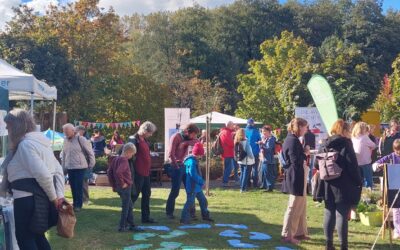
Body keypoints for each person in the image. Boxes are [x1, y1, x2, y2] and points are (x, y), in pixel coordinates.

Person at [0, 109, 65, 250]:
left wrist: (55, 199)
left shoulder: (25, 145)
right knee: (37, 236)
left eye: (9, 125)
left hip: (27, 200)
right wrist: (58, 196)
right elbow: (57, 170)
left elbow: (44, 175)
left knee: (25, 238)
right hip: (36, 199)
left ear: (17, 126)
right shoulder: (39, 144)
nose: (7, 129)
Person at [316, 119, 362, 250]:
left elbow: (316, 164)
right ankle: (343, 246)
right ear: (344, 131)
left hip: (326, 184)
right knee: (342, 214)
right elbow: (352, 165)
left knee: (328, 212)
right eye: (348, 130)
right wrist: (358, 180)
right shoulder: (346, 144)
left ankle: (328, 244)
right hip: (343, 184)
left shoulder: (324, 143)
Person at [281, 117, 310, 245]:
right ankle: (287, 234)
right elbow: (295, 160)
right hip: (295, 176)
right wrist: (305, 153)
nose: (307, 129)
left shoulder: (293, 139)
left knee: (301, 204)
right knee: (294, 206)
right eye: (305, 127)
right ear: (299, 127)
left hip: (298, 175)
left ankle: (300, 232)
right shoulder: (291, 140)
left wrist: (304, 153)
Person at [166, 123, 200, 219]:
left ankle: (191, 213)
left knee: (190, 190)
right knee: (175, 191)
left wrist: (186, 143)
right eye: (193, 134)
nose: (194, 136)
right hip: (176, 166)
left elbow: (197, 142)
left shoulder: (189, 139)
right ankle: (169, 212)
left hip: (186, 166)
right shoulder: (176, 137)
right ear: (187, 132)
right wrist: (177, 167)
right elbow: (170, 154)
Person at [108, 143, 143, 232]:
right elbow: (119, 172)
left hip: (119, 187)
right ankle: (122, 226)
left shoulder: (116, 159)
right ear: (129, 152)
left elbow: (109, 172)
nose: (132, 156)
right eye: (132, 154)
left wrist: (114, 185)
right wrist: (123, 183)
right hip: (125, 187)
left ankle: (132, 225)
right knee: (126, 206)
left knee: (130, 205)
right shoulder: (124, 160)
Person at [128, 121, 157, 223]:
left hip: (146, 172)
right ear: (145, 131)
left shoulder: (144, 140)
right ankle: (127, 218)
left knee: (146, 194)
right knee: (134, 195)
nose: (151, 134)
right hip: (137, 172)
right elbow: (129, 155)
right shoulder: (133, 139)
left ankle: (145, 217)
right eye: (150, 132)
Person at [62, 123, 95, 212]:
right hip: (70, 167)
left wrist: (91, 164)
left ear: (73, 131)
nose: (66, 134)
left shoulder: (81, 139)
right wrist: (63, 167)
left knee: (78, 186)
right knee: (72, 186)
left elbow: (90, 152)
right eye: (65, 132)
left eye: (67, 132)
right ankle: (75, 203)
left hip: (80, 167)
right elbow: (64, 154)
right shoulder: (65, 140)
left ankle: (78, 205)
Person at [372, 139, 400, 239]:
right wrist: (379, 166)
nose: (399, 152)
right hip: (394, 186)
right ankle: (397, 231)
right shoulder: (391, 156)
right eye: (397, 151)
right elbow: (375, 165)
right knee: (396, 209)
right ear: (394, 149)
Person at [180, 142, 213, 224]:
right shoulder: (191, 162)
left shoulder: (194, 160)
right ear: (198, 154)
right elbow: (192, 174)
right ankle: (184, 219)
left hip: (197, 187)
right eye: (201, 154)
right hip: (192, 186)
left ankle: (205, 216)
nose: (202, 156)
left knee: (203, 201)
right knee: (189, 203)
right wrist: (201, 182)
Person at [351, 122, 376, 189]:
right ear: (362, 129)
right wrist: (370, 148)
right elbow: (373, 145)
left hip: (356, 161)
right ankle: (369, 191)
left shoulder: (353, 137)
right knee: (368, 178)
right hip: (365, 161)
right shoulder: (364, 137)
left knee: (359, 179)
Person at [75, 125, 93, 204]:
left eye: (76, 130)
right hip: (77, 163)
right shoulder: (76, 139)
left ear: (81, 131)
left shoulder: (86, 140)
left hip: (84, 163)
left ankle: (85, 199)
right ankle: (80, 198)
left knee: (83, 182)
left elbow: (89, 153)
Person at [234, 128, 255, 193]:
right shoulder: (245, 141)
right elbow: (249, 152)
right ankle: (243, 189)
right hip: (247, 161)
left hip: (240, 160)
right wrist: (253, 158)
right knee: (245, 175)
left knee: (242, 174)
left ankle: (241, 187)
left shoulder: (236, 141)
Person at [259, 125, 277, 192]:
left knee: (268, 173)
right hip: (265, 158)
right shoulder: (266, 138)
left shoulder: (271, 139)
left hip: (269, 159)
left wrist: (262, 144)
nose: (263, 133)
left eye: (264, 131)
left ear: (269, 131)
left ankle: (270, 187)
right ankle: (264, 185)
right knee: (264, 172)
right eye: (262, 131)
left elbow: (269, 149)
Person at [245, 118, 261, 188]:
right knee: (255, 169)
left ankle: (248, 184)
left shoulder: (244, 131)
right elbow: (260, 140)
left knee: (248, 169)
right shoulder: (256, 131)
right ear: (253, 123)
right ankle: (255, 184)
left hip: (247, 152)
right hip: (255, 152)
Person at [220, 121, 236, 187]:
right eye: (232, 125)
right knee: (229, 168)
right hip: (228, 153)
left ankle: (225, 181)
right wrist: (235, 142)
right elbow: (231, 144)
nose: (233, 126)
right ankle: (225, 182)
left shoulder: (223, 132)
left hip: (225, 153)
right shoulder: (227, 132)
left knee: (227, 168)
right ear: (229, 125)